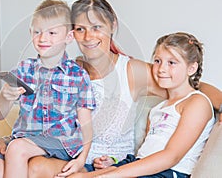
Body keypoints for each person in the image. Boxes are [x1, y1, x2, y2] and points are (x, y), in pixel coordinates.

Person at [0, 0, 222, 178]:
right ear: (71, 33)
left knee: (30, 168)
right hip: (63, 150)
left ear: (113, 26)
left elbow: (195, 88)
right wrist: (7, 140)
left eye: (97, 27)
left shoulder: (132, 70)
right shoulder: (69, 69)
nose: (88, 37)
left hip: (101, 163)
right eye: (80, 28)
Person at [69, 32, 215, 178]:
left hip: (168, 172)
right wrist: (112, 163)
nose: (162, 68)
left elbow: (171, 157)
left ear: (191, 68)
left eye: (171, 63)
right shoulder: (158, 108)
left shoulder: (197, 102)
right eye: (158, 61)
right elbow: (145, 153)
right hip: (142, 164)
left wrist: (110, 175)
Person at [0, 0, 95, 178]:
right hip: (25, 139)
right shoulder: (24, 70)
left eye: (52, 33)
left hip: (60, 143)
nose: (43, 38)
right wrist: (5, 97)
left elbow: (86, 125)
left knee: (17, 148)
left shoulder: (77, 75)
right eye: (37, 32)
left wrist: (81, 160)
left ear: (69, 37)